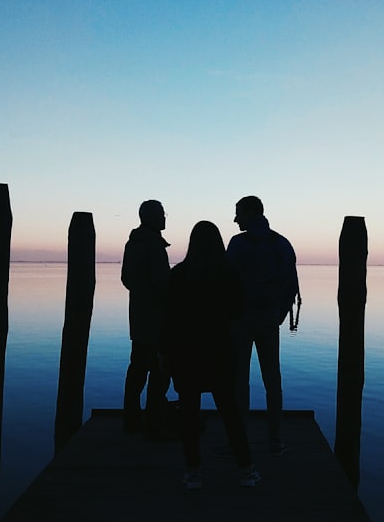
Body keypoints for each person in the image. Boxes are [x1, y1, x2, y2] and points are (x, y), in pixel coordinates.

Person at [164, 221, 260, 489]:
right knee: (230, 411)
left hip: (186, 352)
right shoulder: (229, 274)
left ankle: (193, 471)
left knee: (189, 414)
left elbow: (169, 319)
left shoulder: (179, 275)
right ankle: (247, 469)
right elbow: (238, 310)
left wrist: (166, 354)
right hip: (219, 350)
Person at [226, 195, 299, 456]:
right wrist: (276, 315)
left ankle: (240, 440)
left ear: (252, 213)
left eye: (238, 214)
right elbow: (291, 286)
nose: (235, 219)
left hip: (240, 322)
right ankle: (275, 440)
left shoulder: (237, 244)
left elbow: (227, 284)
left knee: (238, 381)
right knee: (273, 381)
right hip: (268, 321)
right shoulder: (281, 244)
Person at [121, 199, 173, 438]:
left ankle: (131, 416)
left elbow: (126, 280)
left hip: (138, 318)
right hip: (158, 321)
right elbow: (164, 285)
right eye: (162, 214)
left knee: (138, 368)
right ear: (153, 218)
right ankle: (154, 418)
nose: (165, 217)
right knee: (160, 370)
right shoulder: (154, 247)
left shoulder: (132, 244)